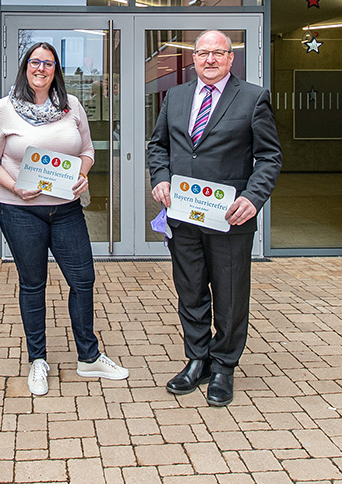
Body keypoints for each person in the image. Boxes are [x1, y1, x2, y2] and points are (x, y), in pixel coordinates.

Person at [0, 42, 128, 396]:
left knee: (83, 280)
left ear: (56, 69)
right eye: (35, 62)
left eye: (48, 63)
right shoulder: (3, 110)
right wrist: (15, 186)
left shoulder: (71, 106)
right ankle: (38, 361)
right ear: (25, 66)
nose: (41, 68)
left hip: (66, 209)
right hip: (20, 210)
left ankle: (89, 358)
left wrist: (83, 173)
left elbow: (87, 150)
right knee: (33, 284)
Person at [147, 30, 281, 406]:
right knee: (190, 290)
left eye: (217, 54)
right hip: (184, 216)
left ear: (230, 58)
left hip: (229, 219)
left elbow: (269, 157)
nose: (209, 60)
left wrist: (253, 198)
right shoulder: (175, 97)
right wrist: (159, 180)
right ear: (192, 58)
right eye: (202, 53)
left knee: (230, 293)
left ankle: (224, 366)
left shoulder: (253, 98)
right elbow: (158, 146)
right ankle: (198, 359)